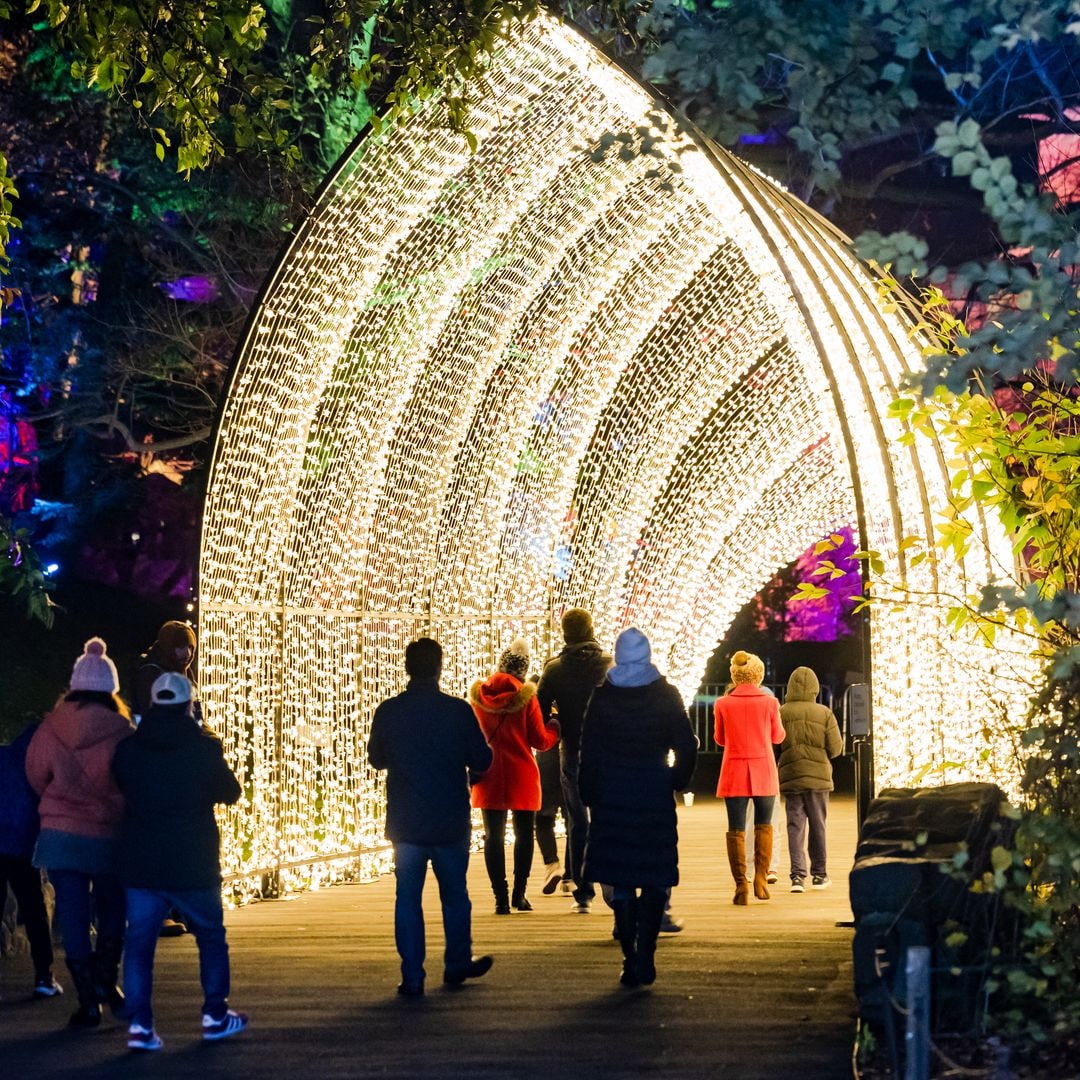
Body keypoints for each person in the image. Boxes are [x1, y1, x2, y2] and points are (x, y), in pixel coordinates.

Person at [112, 672, 247, 1051]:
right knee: (210, 936)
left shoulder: (129, 749)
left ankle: (140, 1025)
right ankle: (215, 1015)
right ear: (189, 704)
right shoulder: (204, 747)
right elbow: (231, 792)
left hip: (142, 862)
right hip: (193, 860)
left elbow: (119, 784)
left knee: (138, 944)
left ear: (153, 704)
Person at [367, 637, 495, 997]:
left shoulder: (389, 711)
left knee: (407, 897)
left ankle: (412, 975)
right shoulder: (457, 711)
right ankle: (456, 962)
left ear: (407, 667)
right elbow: (483, 761)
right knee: (455, 894)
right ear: (439, 667)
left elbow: (376, 758)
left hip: (406, 819)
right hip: (449, 818)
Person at [25, 638, 134, 1025]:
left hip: (61, 833)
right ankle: (109, 980)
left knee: (71, 914)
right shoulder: (122, 729)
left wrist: (59, 805)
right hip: (109, 834)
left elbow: (36, 774)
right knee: (112, 908)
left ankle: (87, 999)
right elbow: (131, 780)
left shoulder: (52, 726)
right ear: (111, 687)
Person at [579, 628, 696, 987]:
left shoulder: (602, 698)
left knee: (623, 877)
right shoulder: (666, 694)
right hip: (653, 790)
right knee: (656, 872)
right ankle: (647, 953)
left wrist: (589, 791)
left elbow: (590, 748)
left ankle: (630, 958)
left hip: (613, 794)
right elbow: (686, 744)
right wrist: (676, 779)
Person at [469, 640, 560, 914]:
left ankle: (500, 898)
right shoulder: (526, 697)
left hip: (489, 772)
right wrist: (555, 726)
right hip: (521, 773)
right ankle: (519, 895)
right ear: (524, 670)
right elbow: (540, 741)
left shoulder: (478, 698)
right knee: (523, 834)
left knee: (493, 836)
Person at [537, 608, 611, 913]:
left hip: (572, 750)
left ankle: (584, 893)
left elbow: (539, 712)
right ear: (591, 628)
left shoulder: (553, 670)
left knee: (578, 821)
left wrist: (556, 721)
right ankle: (615, 887)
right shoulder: (610, 664)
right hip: (608, 751)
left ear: (564, 633)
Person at [133, 620, 199, 938]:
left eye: (189, 647)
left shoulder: (179, 673)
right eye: (179, 646)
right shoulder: (153, 674)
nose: (185, 653)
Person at [714, 650, 785, 905]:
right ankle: (762, 880)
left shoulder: (723, 704)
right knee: (765, 825)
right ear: (758, 675)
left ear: (734, 675)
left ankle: (741, 885)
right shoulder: (770, 703)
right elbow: (778, 737)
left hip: (733, 770)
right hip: (763, 769)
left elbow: (720, 739)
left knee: (736, 829)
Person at [0, 719, 62, 999]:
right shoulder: (40, 766)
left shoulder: (5, 756)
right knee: (34, 907)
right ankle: (43, 975)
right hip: (21, 843)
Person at [778, 666, 843, 892]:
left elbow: (775, 742)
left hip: (792, 775)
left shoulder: (782, 711)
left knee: (795, 825)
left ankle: (797, 877)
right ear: (815, 688)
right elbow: (836, 748)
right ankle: (820, 875)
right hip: (818, 778)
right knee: (818, 825)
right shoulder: (824, 713)